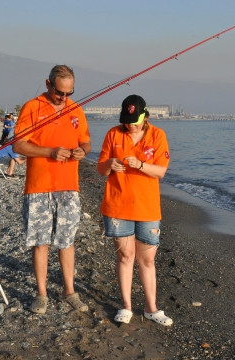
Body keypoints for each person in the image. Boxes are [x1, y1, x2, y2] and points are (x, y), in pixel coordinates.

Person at [13, 64, 91, 314]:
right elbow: (18, 145)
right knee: (40, 242)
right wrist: (49, 152)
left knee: (66, 242)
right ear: (48, 84)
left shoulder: (76, 110)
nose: (64, 98)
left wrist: (82, 152)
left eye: (69, 93)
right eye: (59, 92)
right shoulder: (32, 107)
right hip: (38, 187)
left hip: (69, 187)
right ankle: (42, 294)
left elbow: (86, 142)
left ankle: (70, 292)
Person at [96, 94, 173, 326]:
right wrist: (110, 164)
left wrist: (139, 164)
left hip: (148, 208)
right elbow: (101, 168)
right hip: (118, 206)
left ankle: (152, 308)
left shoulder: (157, 135)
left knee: (147, 260)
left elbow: (160, 171)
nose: (130, 124)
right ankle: (127, 306)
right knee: (125, 256)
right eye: (127, 119)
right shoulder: (113, 133)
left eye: (135, 119)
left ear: (145, 115)